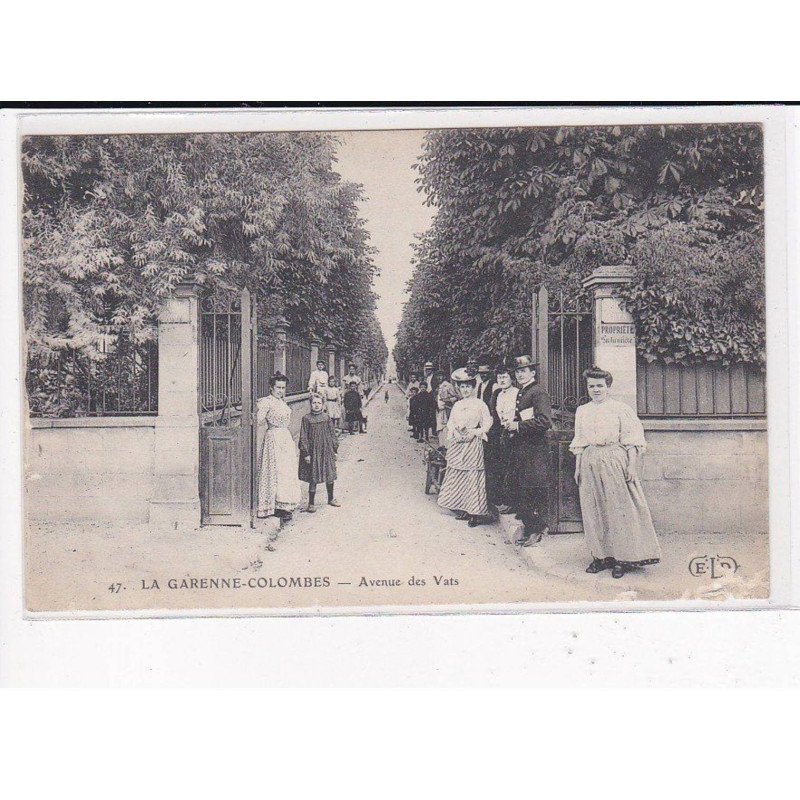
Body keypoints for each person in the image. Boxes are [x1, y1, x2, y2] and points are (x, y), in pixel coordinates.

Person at [570, 366, 661, 579]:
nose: (596, 390)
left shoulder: (620, 409)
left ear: (608, 387)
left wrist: (631, 466)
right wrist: (577, 467)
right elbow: (580, 442)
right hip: (590, 461)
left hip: (614, 459)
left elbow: (632, 440)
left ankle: (622, 558)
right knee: (594, 510)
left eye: (600, 386)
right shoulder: (582, 410)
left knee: (618, 509)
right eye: (592, 386)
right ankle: (601, 557)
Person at [504, 355, 552, 546]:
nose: (520, 374)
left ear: (532, 372)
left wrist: (517, 426)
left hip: (534, 451)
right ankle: (530, 526)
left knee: (531, 491)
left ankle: (537, 529)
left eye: (524, 371)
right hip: (522, 450)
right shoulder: (524, 391)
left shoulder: (538, 392)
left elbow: (544, 421)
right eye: (517, 371)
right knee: (521, 490)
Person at [437, 368, 494, 527]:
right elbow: (451, 422)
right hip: (457, 443)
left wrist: (474, 433)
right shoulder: (457, 405)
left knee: (472, 477)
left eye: (468, 387)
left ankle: (474, 513)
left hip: (472, 443)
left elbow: (487, 423)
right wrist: (454, 432)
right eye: (462, 387)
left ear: (473, 387)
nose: (465, 390)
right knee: (457, 475)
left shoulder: (480, 404)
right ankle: (461, 508)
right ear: (459, 389)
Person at [257, 372, 301, 521]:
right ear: (271, 388)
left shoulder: (283, 402)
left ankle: (284, 505)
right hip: (274, 437)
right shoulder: (266, 402)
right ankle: (274, 505)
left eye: (283, 387)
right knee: (276, 470)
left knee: (286, 470)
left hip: (285, 438)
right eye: (278, 387)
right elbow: (258, 420)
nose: (281, 390)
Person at [299, 393, 341, 513]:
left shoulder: (326, 418)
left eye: (319, 403)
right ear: (310, 404)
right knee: (314, 475)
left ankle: (331, 498)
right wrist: (306, 453)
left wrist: (335, 449)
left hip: (326, 449)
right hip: (313, 451)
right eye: (314, 403)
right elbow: (303, 436)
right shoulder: (306, 418)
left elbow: (332, 434)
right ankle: (311, 503)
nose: (316, 405)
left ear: (323, 404)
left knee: (329, 473)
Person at [486, 362, 518, 511]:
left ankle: (510, 502)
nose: (502, 380)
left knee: (510, 467)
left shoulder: (518, 393)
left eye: (505, 377)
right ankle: (496, 499)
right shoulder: (497, 394)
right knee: (496, 465)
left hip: (513, 433)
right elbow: (494, 415)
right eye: (499, 377)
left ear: (511, 378)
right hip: (498, 433)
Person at [436, 370, 460, 435]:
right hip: (440, 410)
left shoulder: (448, 385)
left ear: (444, 377)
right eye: (438, 376)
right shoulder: (439, 386)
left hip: (447, 409)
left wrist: (448, 400)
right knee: (440, 426)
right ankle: (442, 443)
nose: (439, 378)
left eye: (440, 376)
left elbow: (456, 397)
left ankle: (446, 443)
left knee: (446, 427)